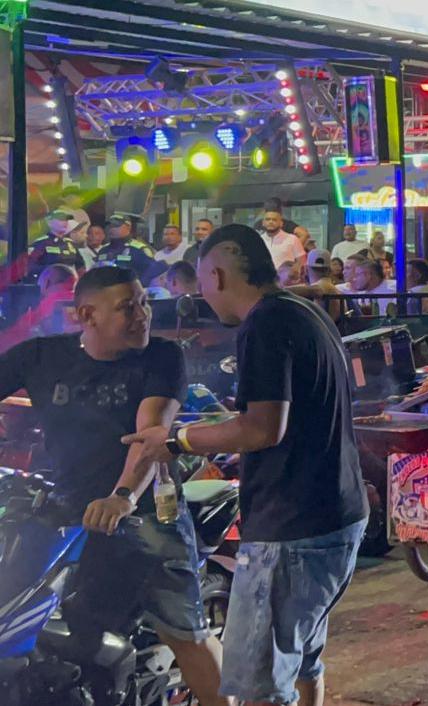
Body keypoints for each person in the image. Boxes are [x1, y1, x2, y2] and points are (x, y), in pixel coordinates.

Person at [122, 225, 368, 706]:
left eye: (201, 280)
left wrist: (177, 440)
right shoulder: (304, 312)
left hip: (290, 527)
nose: (201, 292)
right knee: (301, 660)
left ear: (216, 273)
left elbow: (261, 429)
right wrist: (222, 430)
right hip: (337, 514)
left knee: (260, 687)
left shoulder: (265, 325)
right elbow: (283, 419)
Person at [0, 267, 226, 706]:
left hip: (142, 509)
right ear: (87, 315)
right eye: (128, 307)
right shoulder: (41, 357)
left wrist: (122, 496)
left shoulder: (160, 357)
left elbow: (150, 436)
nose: (143, 314)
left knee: (184, 632)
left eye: (142, 302)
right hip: (65, 507)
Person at [96, 214, 167, 285]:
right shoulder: (103, 250)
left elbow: (151, 274)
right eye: (110, 226)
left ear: (128, 227)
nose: (111, 229)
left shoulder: (139, 249)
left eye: (116, 225)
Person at [28, 210, 88, 279]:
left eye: (66, 220)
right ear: (49, 222)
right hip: (49, 283)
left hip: (70, 284)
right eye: (61, 219)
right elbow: (30, 267)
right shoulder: (41, 243)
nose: (65, 222)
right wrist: (52, 270)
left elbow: (80, 266)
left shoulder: (70, 243)